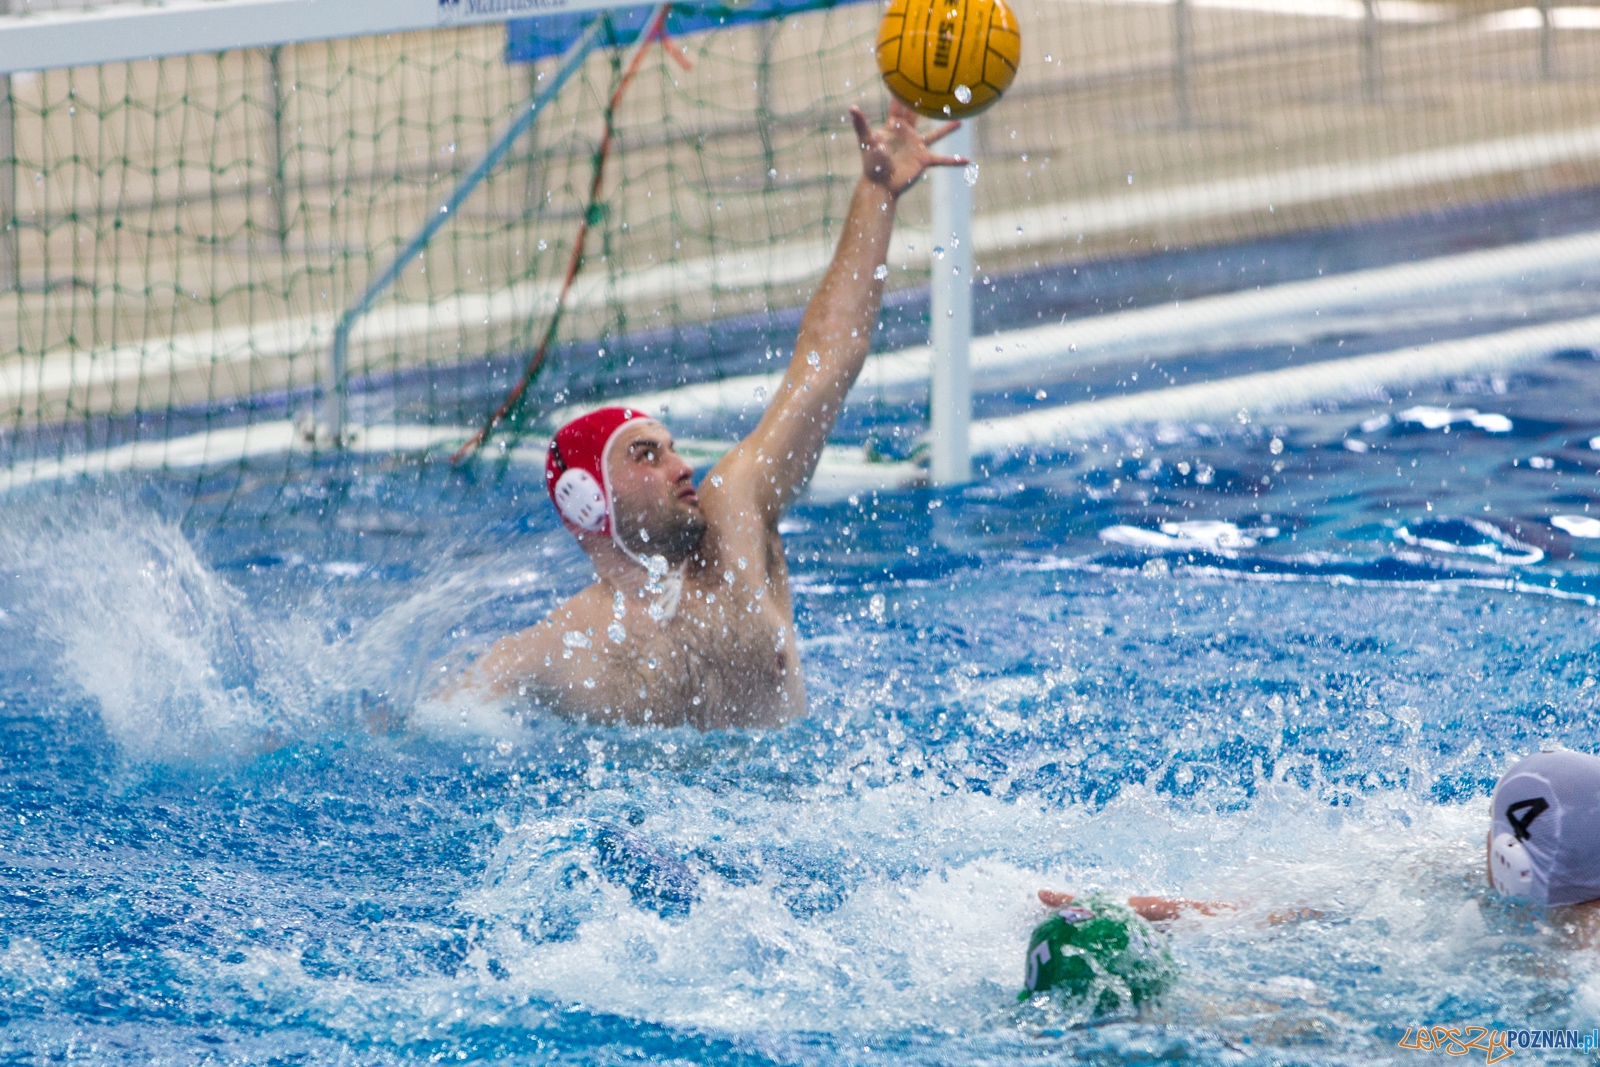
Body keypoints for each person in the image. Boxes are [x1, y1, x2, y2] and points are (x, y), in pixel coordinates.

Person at [450, 101, 966, 730]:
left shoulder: (738, 516)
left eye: (668, 446)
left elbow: (828, 359)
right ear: (589, 500)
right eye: (646, 455)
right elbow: (426, 728)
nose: (681, 464)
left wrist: (877, 193)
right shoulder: (558, 651)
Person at [1022, 749, 1600, 1008]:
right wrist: (1134, 909)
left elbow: (1268, 917)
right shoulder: (1449, 873)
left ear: (1509, 856)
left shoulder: (1577, 967)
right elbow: (1273, 915)